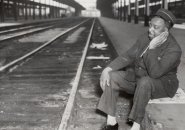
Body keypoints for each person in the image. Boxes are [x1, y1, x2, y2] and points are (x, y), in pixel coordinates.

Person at [97, 8, 182, 130]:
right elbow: (128, 56)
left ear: (166, 31)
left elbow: (155, 74)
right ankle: (111, 123)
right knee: (112, 76)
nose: (150, 29)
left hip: (162, 84)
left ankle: (136, 126)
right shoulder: (145, 38)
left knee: (145, 82)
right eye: (150, 25)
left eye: (155, 27)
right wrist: (107, 69)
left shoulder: (174, 49)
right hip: (140, 79)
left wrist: (152, 49)